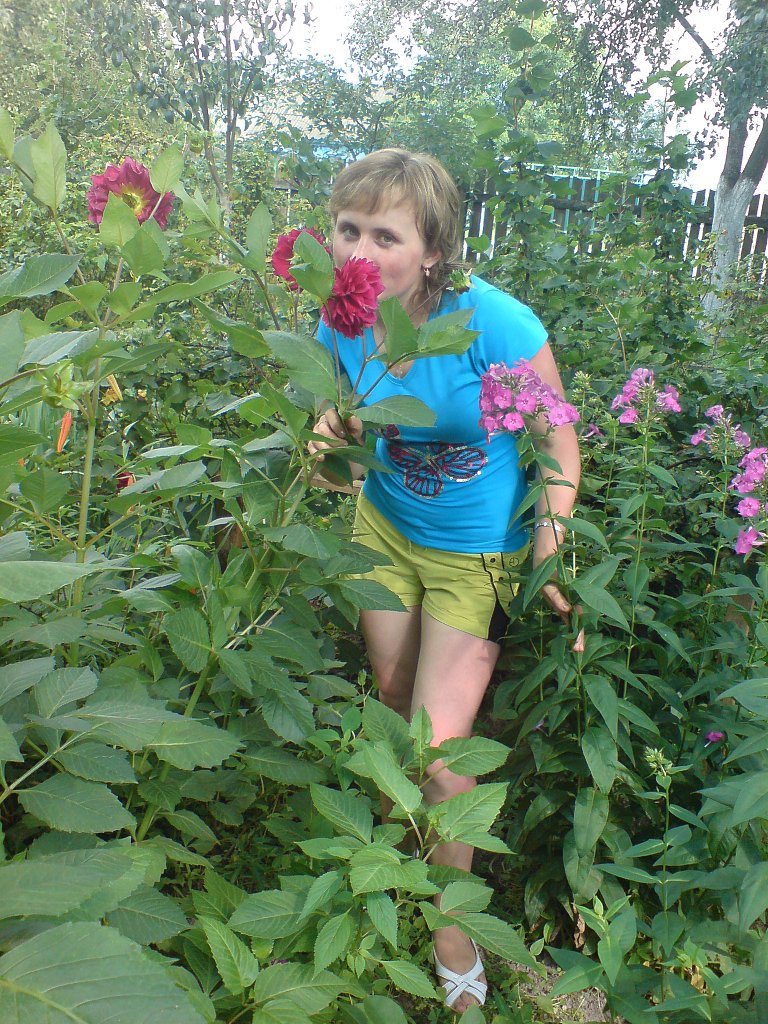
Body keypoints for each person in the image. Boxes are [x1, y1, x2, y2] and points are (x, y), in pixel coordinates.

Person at [309, 149, 581, 1014]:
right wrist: (325, 443)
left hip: (477, 552)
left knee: (439, 743)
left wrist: (550, 542)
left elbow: (559, 440)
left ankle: (452, 923)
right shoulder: (341, 319)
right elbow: (342, 438)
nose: (358, 250)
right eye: (348, 228)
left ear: (433, 252)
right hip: (384, 531)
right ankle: (404, 835)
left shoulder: (496, 324)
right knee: (393, 693)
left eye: (384, 235)